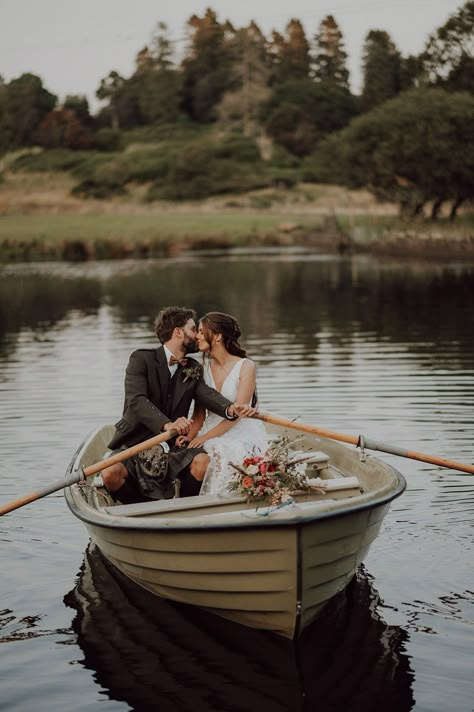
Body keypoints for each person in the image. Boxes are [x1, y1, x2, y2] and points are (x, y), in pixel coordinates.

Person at [102, 306, 253, 504]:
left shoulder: (192, 367)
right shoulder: (141, 359)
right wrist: (168, 425)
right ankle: (139, 509)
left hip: (174, 447)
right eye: (193, 329)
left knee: (203, 463)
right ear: (178, 332)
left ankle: (184, 508)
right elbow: (136, 400)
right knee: (110, 473)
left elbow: (206, 395)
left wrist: (231, 409)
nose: (197, 336)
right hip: (135, 444)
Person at [176, 311, 268, 497]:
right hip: (209, 429)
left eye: (202, 332)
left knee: (223, 452)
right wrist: (190, 437)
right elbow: (199, 416)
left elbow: (237, 414)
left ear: (217, 336)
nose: (197, 336)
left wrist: (205, 439)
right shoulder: (200, 369)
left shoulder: (246, 366)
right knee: (195, 456)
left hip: (238, 429)